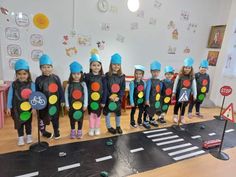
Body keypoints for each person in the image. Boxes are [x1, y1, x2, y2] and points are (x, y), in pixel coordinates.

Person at [35, 54, 65, 139]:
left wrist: (62, 100)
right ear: (40, 68)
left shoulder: (56, 78)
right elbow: (36, 92)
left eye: (48, 67)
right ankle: (43, 131)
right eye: (44, 67)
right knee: (42, 118)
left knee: (55, 118)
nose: (46, 69)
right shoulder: (38, 79)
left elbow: (60, 90)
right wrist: (37, 104)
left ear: (52, 67)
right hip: (43, 104)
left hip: (54, 103)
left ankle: (56, 131)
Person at [7, 59, 35, 146]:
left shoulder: (31, 84)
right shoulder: (13, 84)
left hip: (28, 107)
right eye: (19, 74)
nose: (22, 76)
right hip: (17, 108)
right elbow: (10, 95)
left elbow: (34, 96)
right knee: (19, 122)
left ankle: (29, 135)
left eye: (24, 74)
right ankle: (20, 137)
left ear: (28, 74)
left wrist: (34, 107)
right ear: (16, 74)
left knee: (28, 122)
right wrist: (8, 106)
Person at [103, 53, 125, 134]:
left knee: (118, 113)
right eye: (114, 64)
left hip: (117, 99)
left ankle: (118, 126)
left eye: (118, 65)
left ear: (120, 66)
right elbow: (105, 88)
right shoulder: (107, 76)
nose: (116, 66)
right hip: (109, 98)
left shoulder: (122, 77)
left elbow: (122, 88)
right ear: (111, 65)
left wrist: (119, 97)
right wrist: (110, 96)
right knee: (107, 113)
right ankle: (109, 127)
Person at [65, 61, 88, 138]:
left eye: (78, 74)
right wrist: (67, 104)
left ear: (81, 74)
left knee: (80, 118)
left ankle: (79, 131)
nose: (76, 76)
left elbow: (86, 94)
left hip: (81, 106)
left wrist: (85, 104)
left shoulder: (83, 84)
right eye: (74, 74)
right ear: (71, 74)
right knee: (72, 118)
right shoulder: (69, 84)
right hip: (71, 105)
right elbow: (66, 94)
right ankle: (72, 131)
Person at [84, 54, 105, 136]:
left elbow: (105, 90)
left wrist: (103, 100)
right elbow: (85, 89)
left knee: (98, 115)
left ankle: (97, 128)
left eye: (98, 65)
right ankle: (91, 128)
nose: (96, 67)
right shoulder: (87, 76)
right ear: (90, 66)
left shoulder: (103, 77)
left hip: (99, 101)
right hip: (90, 100)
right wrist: (86, 101)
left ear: (100, 66)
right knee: (91, 115)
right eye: (94, 65)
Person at [172, 57, 197, 124]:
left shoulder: (192, 77)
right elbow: (175, 83)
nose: (187, 69)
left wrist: (195, 94)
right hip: (179, 93)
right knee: (177, 104)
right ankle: (175, 116)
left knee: (183, 106)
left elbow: (194, 86)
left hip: (187, 94)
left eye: (189, 68)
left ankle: (182, 117)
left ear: (191, 69)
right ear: (183, 68)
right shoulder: (179, 75)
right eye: (185, 67)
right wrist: (174, 92)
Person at [145, 61, 162, 128]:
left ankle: (151, 119)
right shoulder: (149, 81)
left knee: (153, 110)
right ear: (151, 72)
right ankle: (145, 121)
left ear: (159, 72)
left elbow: (159, 91)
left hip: (156, 99)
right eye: (154, 72)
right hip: (150, 99)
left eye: (157, 72)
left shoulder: (159, 81)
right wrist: (147, 100)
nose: (155, 73)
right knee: (148, 110)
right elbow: (147, 91)